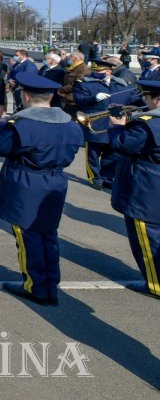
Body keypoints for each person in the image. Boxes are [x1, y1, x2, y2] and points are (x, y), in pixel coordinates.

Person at [0, 74, 84, 306]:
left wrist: (4, 124)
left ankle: (34, 285)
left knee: (28, 235)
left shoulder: (22, 124)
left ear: (26, 96)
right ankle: (50, 283)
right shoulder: (69, 124)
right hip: (56, 180)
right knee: (48, 234)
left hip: (27, 182)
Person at [107, 79, 160, 299]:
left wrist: (117, 127)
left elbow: (122, 145)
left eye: (147, 98)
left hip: (147, 188)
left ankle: (155, 284)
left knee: (147, 239)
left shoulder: (149, 123)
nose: (144, 102)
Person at [73, 58, 142, 190]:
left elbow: (134, 99)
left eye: (100, 71)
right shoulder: (83, 83)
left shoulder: (123, 85)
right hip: (95, 123)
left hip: (115, 123)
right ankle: (95, 178)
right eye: (94, 70)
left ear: (109, 72)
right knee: (93, 154)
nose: (95, 73)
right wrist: (94, 98)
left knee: (112, 153)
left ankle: (107, 177)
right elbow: (78, 99)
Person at [58, 50, 90, 116]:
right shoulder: (73, 67)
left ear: (75, 58)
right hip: (68, 98)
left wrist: (62, 89)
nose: (69, 59)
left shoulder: (82, 69)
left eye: (70, 57)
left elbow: (77, 84)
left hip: (74, 100)